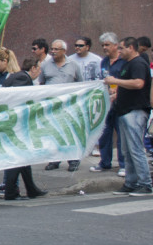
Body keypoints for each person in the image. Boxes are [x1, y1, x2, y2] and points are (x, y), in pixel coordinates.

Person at [105, 37, 153, 196]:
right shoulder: (128, 64)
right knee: (127, 150)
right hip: (125, 111)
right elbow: (129, 85)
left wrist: (115, 81)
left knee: (136, 149)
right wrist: (117, 93)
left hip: (136, 111)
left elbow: (139, 83)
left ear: (131, 47)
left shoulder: (138, 63)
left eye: (122, 49)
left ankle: (145, 184)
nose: (119, 52)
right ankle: (131, 183)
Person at [0, 57, 48, 200]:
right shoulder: (23, 79)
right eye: (39, 68)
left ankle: (31, 189)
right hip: (16, 125)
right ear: (33, 68)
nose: (40, 72)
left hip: (13, 123)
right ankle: (11, 192)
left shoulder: (17, 76)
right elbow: (18, 100)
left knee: (24, 158)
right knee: (18, 158)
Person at [42, 40, 84, 172]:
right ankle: (55, 160)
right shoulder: (45, 65)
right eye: (52, 49)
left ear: (64, 51)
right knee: (54, 133)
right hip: (52, 106)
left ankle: (73, 160)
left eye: (56, 49)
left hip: (69, 106)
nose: (53, 51)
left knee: (70, 133)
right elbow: (42, 84)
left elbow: (80, 83)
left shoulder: (74, 65)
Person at [92, 33, 126, 175]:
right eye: (103, 45)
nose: (104, 48)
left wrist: (117, 93)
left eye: (107, 45)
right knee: (105, 133)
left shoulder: (123, 61)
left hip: (121, 101)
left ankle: (123, 164)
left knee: (121, 134)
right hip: (107, 102)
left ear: (115, 45)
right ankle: (105, 162)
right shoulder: (104, 61)